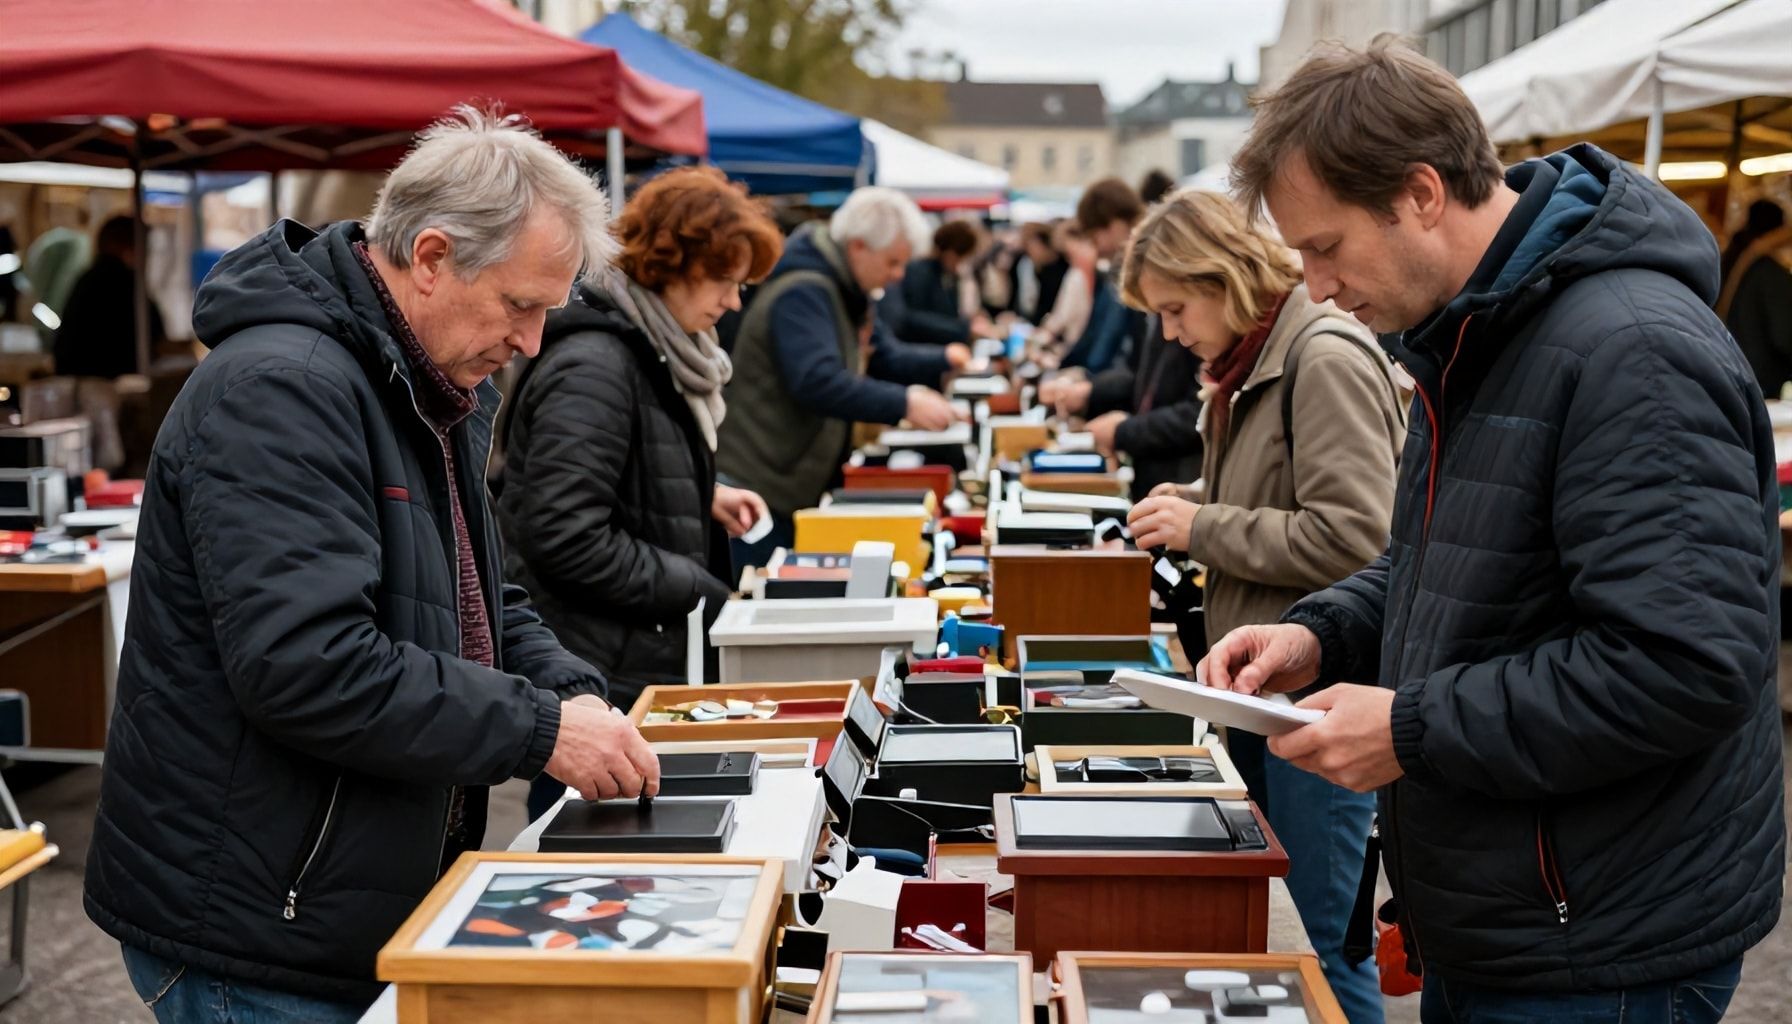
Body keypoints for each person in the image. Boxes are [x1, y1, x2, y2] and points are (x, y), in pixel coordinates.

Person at [1206, 38, 1783, 1023]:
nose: (1312, 286)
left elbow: (1682, 664)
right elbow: (1441, 565)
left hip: (1600, 941)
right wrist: (1322, 630)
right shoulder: (1475, 334)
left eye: (1325, 245)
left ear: (1422, 194)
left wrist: (1409, 728)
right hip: (1520, 916)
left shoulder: (1628, 353)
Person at [84, 108, 661, 1023]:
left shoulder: (423, 380)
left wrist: (566, 688)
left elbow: (473, 591)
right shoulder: (285, 389)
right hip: (258, 930)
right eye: (520, 305)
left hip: (333, 902)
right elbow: (310, 667)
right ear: (430, 256)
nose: (532, 342)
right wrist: (540, 728)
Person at [1121, 188, 1402, 1023]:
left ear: (1222, 277)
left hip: (1318, 696)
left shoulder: (1320, 355)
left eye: (1175, 309)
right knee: (1298, 928)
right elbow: (1294, 491)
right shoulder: (1258, 358)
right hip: (1272, 691)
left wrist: (1204, 523)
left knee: (1321, 944)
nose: (1170, 333)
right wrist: (1207, 499)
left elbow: (1360, 536)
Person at [496, 166, 782, 820]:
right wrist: (690, 581)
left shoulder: (649, 346)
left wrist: (703, 497)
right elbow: (562, 534)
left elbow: (615, 469)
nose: (734, 303)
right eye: (723, 281)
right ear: (670, 265)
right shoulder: (598, 363)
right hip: (594, 665)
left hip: (624, 652)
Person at [717, 187, 966, 567]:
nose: (898, 275)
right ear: (858, 247)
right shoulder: (806, 291)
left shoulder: (845, 289)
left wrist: (936, 368)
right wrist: (904, 402)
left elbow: (883, 355)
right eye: (893, 262)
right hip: (760, 481)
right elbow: (817, 380)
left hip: (785, 478)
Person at [53, 214, 166, 378]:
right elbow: (153, 332)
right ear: (128, 247)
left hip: (80, 380)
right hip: (110, 384)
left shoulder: (87, 279)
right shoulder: (123, 282)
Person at [1058, 177, 1150, 374]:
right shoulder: (1119, 270)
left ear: (1114, 225)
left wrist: (1087, 382)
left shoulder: (1139, 270)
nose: (1095, 250)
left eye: (1094, 237)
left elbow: (1111, 344)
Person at [880, 219, 999, 346]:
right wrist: (964, 328)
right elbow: (912, 318)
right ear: (950, 253)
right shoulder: (920, 272)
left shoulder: (947, 276)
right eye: (962, 258)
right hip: (921, 350)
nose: (962, 264)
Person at [1718, 199, 1792, 399]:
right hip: (1762, 381)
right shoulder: (1767, 271)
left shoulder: (1732, 258)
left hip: (1730, 370)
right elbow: (1784, 334)